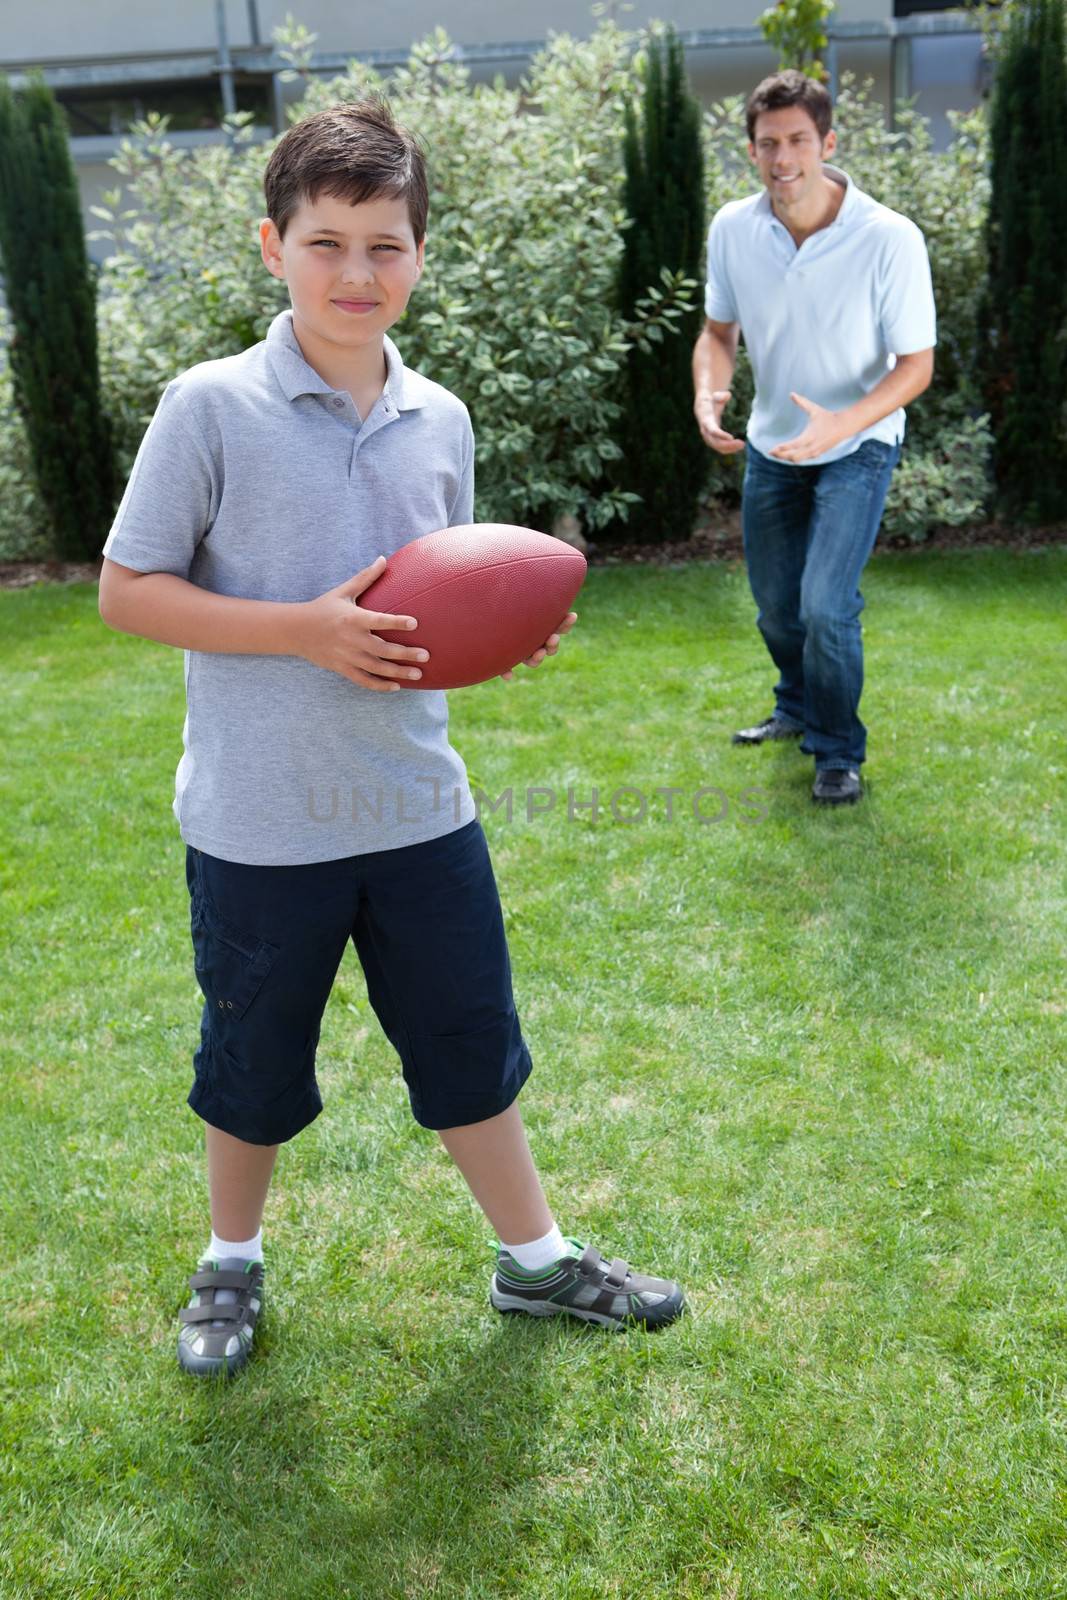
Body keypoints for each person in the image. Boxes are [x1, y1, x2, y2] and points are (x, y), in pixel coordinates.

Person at [98, 98, 685, 1376]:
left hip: (418, 808)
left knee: (470, 1039)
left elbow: (436, 593)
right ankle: (231, 1264)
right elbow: (126, 591)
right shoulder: (209, 407)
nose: (356, 273)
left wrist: (492, 640)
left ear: (420, 253)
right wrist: (301, 631)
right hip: (259, 818)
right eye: (326, 243)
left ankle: (534, 1263)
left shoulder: (443, 419)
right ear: (272, 246)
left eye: (385, 245)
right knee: (248, 1061)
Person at [692, 70, 936, 805]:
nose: (782, 157)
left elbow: (915, 365)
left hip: (858, 445)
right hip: (773, 446)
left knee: (827, 603)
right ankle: (795, 706)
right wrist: (709, 391)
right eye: (767, 143)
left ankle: (836, 751)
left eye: (797, 140)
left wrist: (844, 421)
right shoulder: (733, 228)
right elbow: (715, 332)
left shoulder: (887, 237)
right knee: (774, 605)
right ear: (751, 150)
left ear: (826, 143)